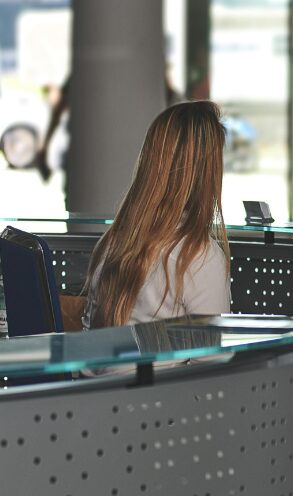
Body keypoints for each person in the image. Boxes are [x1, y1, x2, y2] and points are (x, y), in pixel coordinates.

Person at [82, 100, 232, 329]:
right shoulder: (199, 257)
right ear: (207, 172)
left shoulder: (111, 242)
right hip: (172, 367)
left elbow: (88, 337)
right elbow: (212, 359)